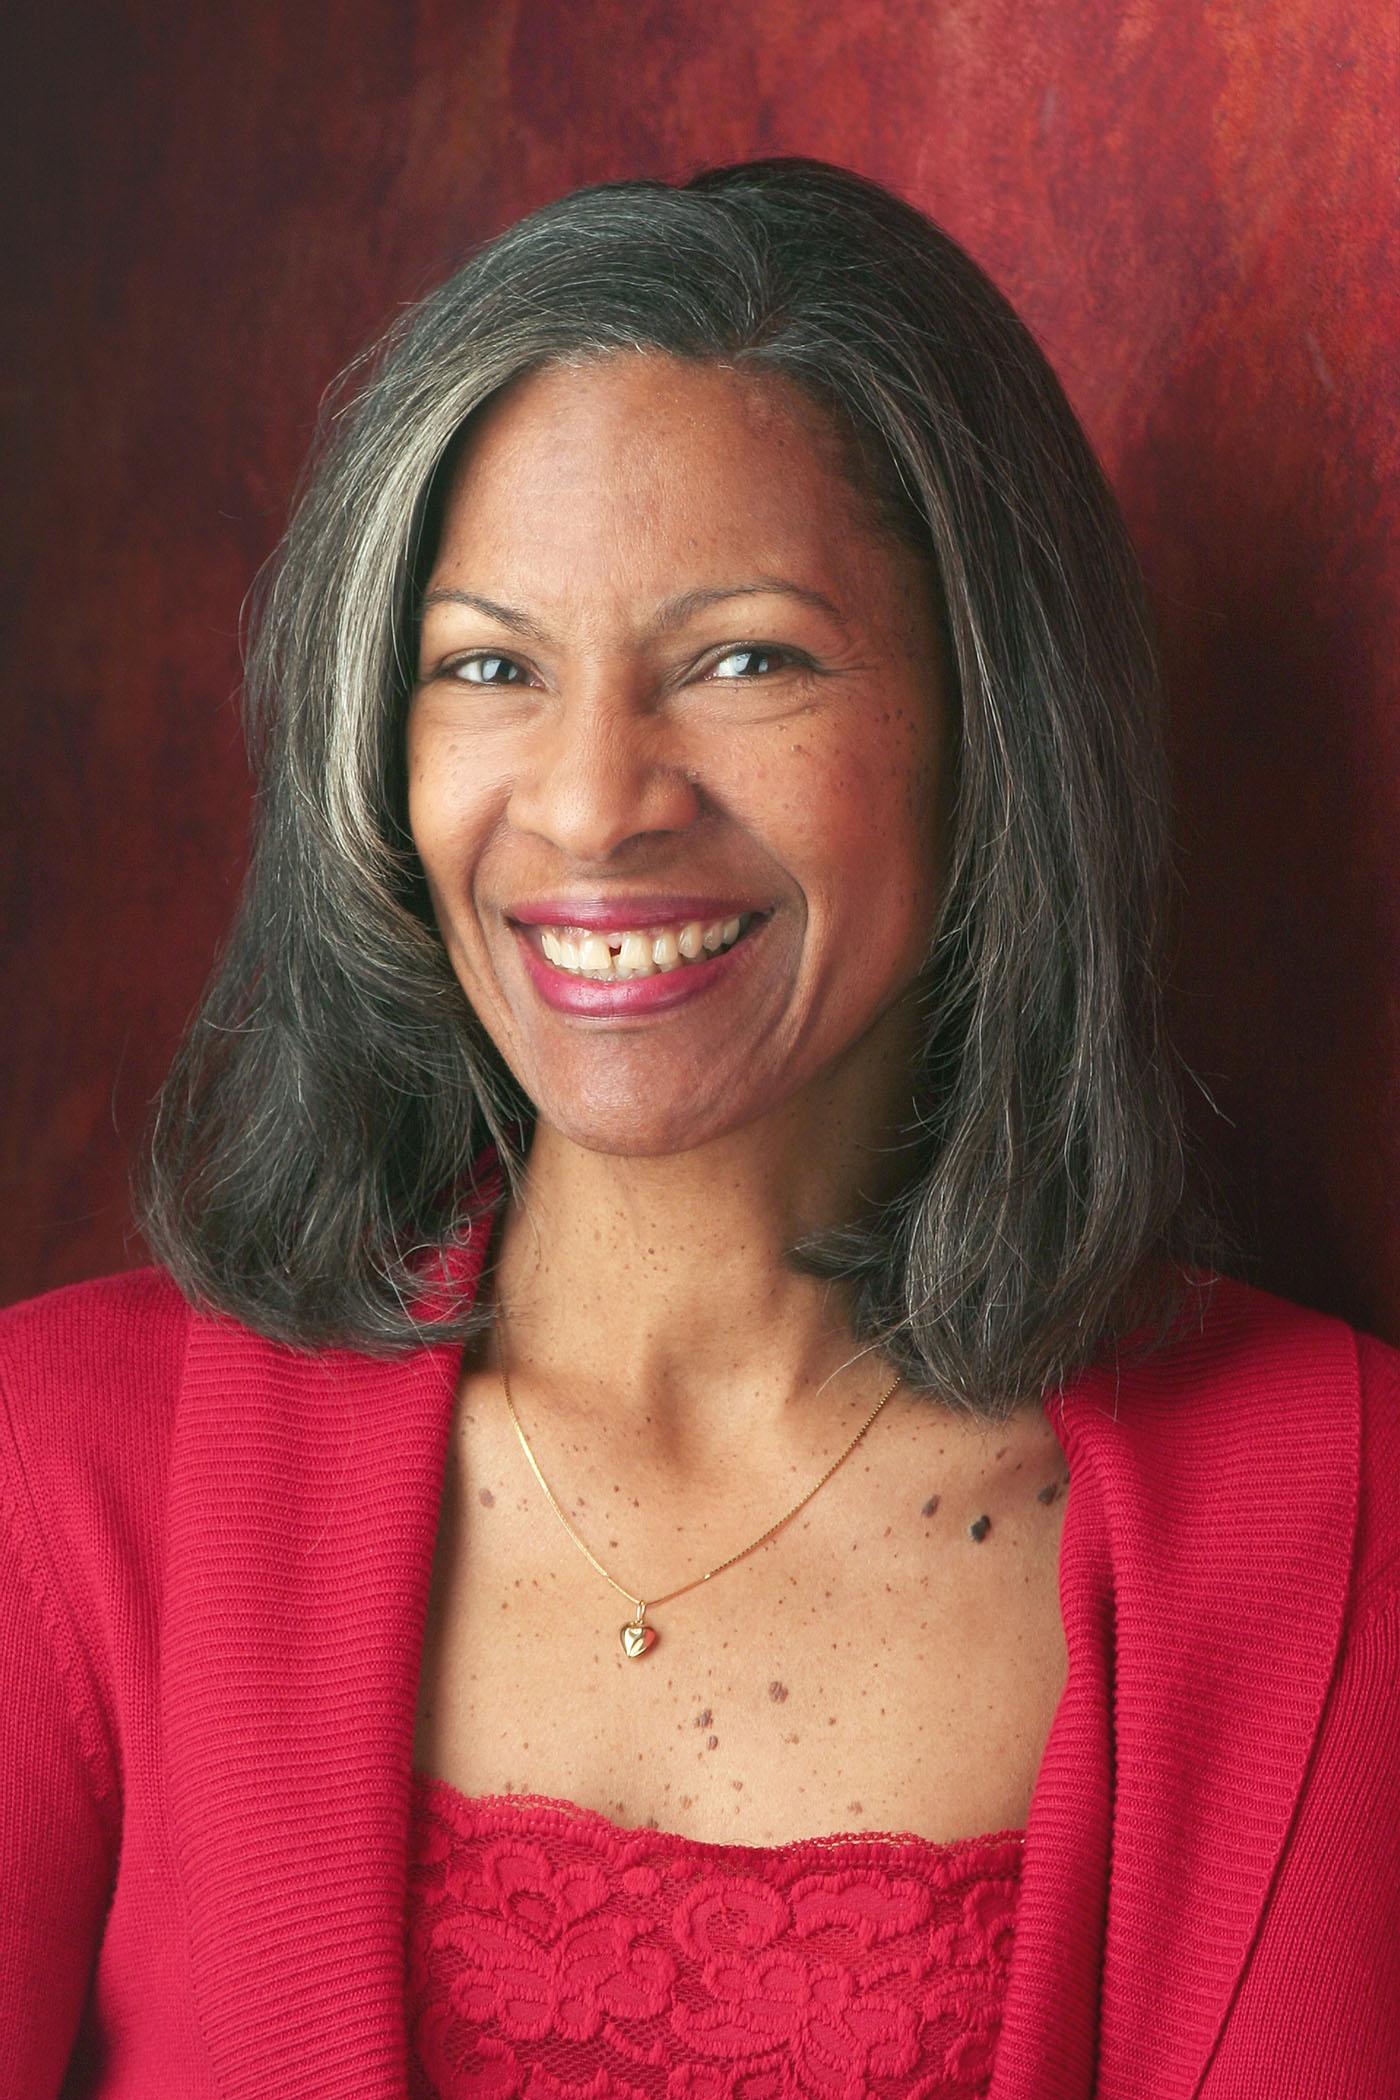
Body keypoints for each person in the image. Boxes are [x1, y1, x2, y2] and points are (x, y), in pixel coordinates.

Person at [1, 158, 1395, 2100]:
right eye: (487, 667)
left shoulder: (1333, 1510)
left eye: (744, 658)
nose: (591, 804)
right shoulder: (58, 1470)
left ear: (991, 717)